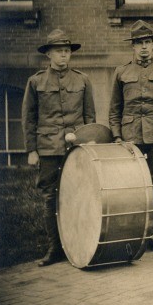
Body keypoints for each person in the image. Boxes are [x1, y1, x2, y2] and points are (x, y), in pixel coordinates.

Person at [22, 29, 96, 266]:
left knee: (80, 196)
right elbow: (29, 118)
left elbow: (89, 117)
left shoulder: (83, 79)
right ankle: (55, 248)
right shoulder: (36, 82)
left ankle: (79, 243)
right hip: (49, 149)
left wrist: (88, 141)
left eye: (67, 51)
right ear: (49, 55)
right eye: (59, 51)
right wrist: (32, 150)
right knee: (50, 198)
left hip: (76, 150)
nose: (64, 56)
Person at [109, 20, 153, 254]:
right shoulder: (121, 72)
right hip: (130, 139)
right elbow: (114, 109)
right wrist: (118, 137)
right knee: (132, 189)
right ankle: (134, 236)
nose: (144, 48)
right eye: (139, 43)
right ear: (133, 46)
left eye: (148, 43)